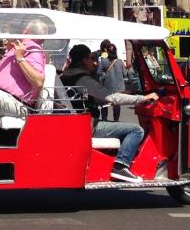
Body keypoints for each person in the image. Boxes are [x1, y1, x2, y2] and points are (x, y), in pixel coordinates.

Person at [61, 43, 160, 183]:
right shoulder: (82, 79)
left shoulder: (66, 75)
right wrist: (143, 98)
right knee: (136, 130)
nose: (94, 62)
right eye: (91, 58)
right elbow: (112, 97)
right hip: (88, 126)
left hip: (76, 123)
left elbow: (97, 98)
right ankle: (120, 166)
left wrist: (126, 96)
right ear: (84, 60)